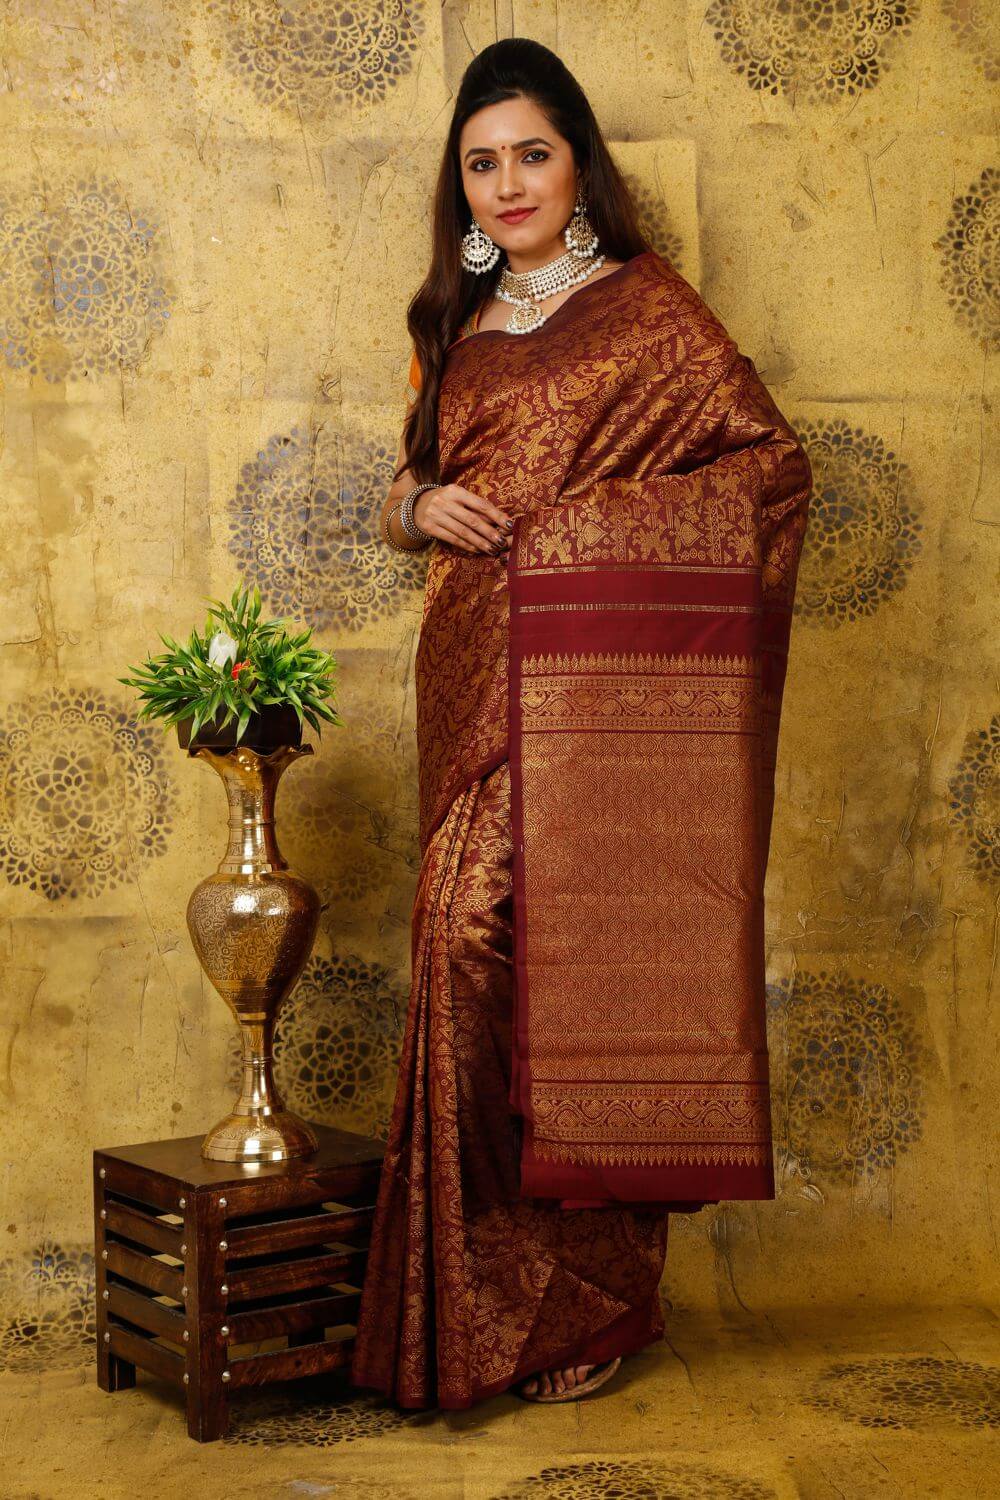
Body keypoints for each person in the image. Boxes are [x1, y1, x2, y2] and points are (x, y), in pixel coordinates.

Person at [349, 37, 812, 1410]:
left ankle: (592, 1300)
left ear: (578, 163)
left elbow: (770, 467)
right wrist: (418, 509)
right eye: (482, 163)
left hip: (597, 695)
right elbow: (407, 483)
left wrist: (576, 536)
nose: (508, 185)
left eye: (532, 155)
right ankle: (488, 1298)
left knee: (581, 971)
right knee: (460, 955)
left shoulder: (648, 310)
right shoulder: (453, 321)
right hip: (467, 678)